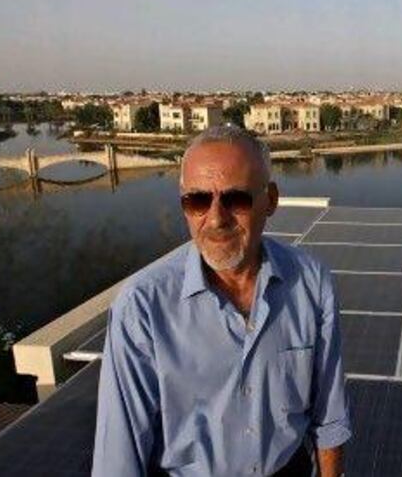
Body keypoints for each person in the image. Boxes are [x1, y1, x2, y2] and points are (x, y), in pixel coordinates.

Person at [92, 125, 351, 476]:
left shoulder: (311, 284)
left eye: (236, 199)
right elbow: (118, 458)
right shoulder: (142, 307)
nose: (216, 218)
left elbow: (329, 416)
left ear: (271, 200)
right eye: (198, 200)